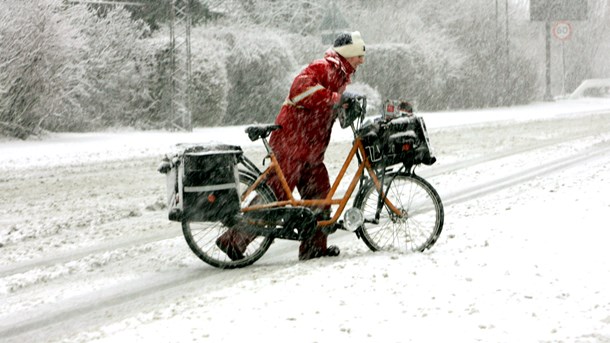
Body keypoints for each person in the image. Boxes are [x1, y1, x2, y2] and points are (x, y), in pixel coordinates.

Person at [217, 31, 366, 261]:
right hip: (292, 143)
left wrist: (347, 107)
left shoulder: (340, 75)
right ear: (348, 53)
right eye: (358, 55)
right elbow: (300, 90)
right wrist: (336, 100)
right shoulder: (323, 67)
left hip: (311, 149)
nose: (361, 61)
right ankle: (232, 241)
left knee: (319, 194)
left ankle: (314, 249)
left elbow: (327, 108)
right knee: (275, 197)